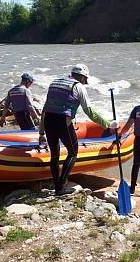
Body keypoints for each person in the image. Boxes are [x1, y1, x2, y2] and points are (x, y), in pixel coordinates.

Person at [39, 64, 111, 195]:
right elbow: (89, 111)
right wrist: (107, 124)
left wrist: (41, 131)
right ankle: (62, 184)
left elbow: (45, 108)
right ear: (83, 77)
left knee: (54, 155)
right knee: (72, 152)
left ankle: (57, 186)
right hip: (63, 123)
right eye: (85, 79)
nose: (84, 82)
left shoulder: (54, 82)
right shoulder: (78, 86)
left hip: (49, 120)